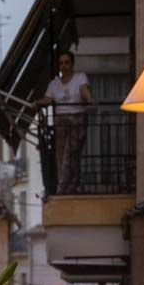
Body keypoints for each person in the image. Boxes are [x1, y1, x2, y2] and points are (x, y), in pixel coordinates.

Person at [37, 50, 95, 194]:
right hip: (61, 121)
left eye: (67, 62)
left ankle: (61, 189)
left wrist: (89, 99)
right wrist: (37, 103)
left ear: (72, 64)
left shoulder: (80, 78)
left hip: (77, 120)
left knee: (70, 153)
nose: (64, 66)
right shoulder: (54, 84)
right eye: (61, 63)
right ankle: (71, 186)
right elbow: (47, 99)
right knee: (61, 155)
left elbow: (84, 91)